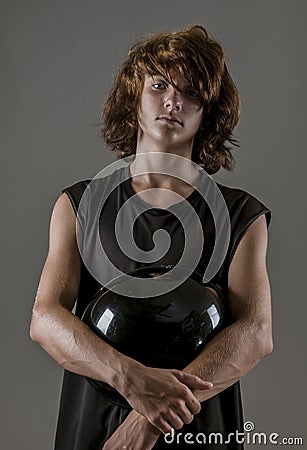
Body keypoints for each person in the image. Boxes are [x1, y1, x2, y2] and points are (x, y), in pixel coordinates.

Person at [30, 25, 273, 449]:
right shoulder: (80, 204)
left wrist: (150, 419)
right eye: (159, 85)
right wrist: (131, 380)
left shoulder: (240, 215)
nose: (173, 101)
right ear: (133, 99)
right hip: (96, 426)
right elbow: (45, 318)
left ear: (207, 114)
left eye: (192, 92)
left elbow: (255, 333)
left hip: (198, 426)